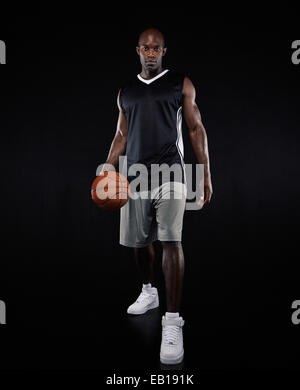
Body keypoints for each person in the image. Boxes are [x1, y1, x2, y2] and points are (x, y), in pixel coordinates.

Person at [100, 28, 213, 365]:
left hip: (171, 173)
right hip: (133, 175)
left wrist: (205, 171)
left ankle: (172, 322)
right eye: (145, 48)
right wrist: (107, 166)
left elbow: (195, 129)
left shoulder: (181, 83)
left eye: (157, 48)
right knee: (139, 243)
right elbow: (121, 134)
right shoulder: (126, 91)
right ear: (137, 50)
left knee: (171, 240)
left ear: (164, 51)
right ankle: (150, 292)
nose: (151, 53)